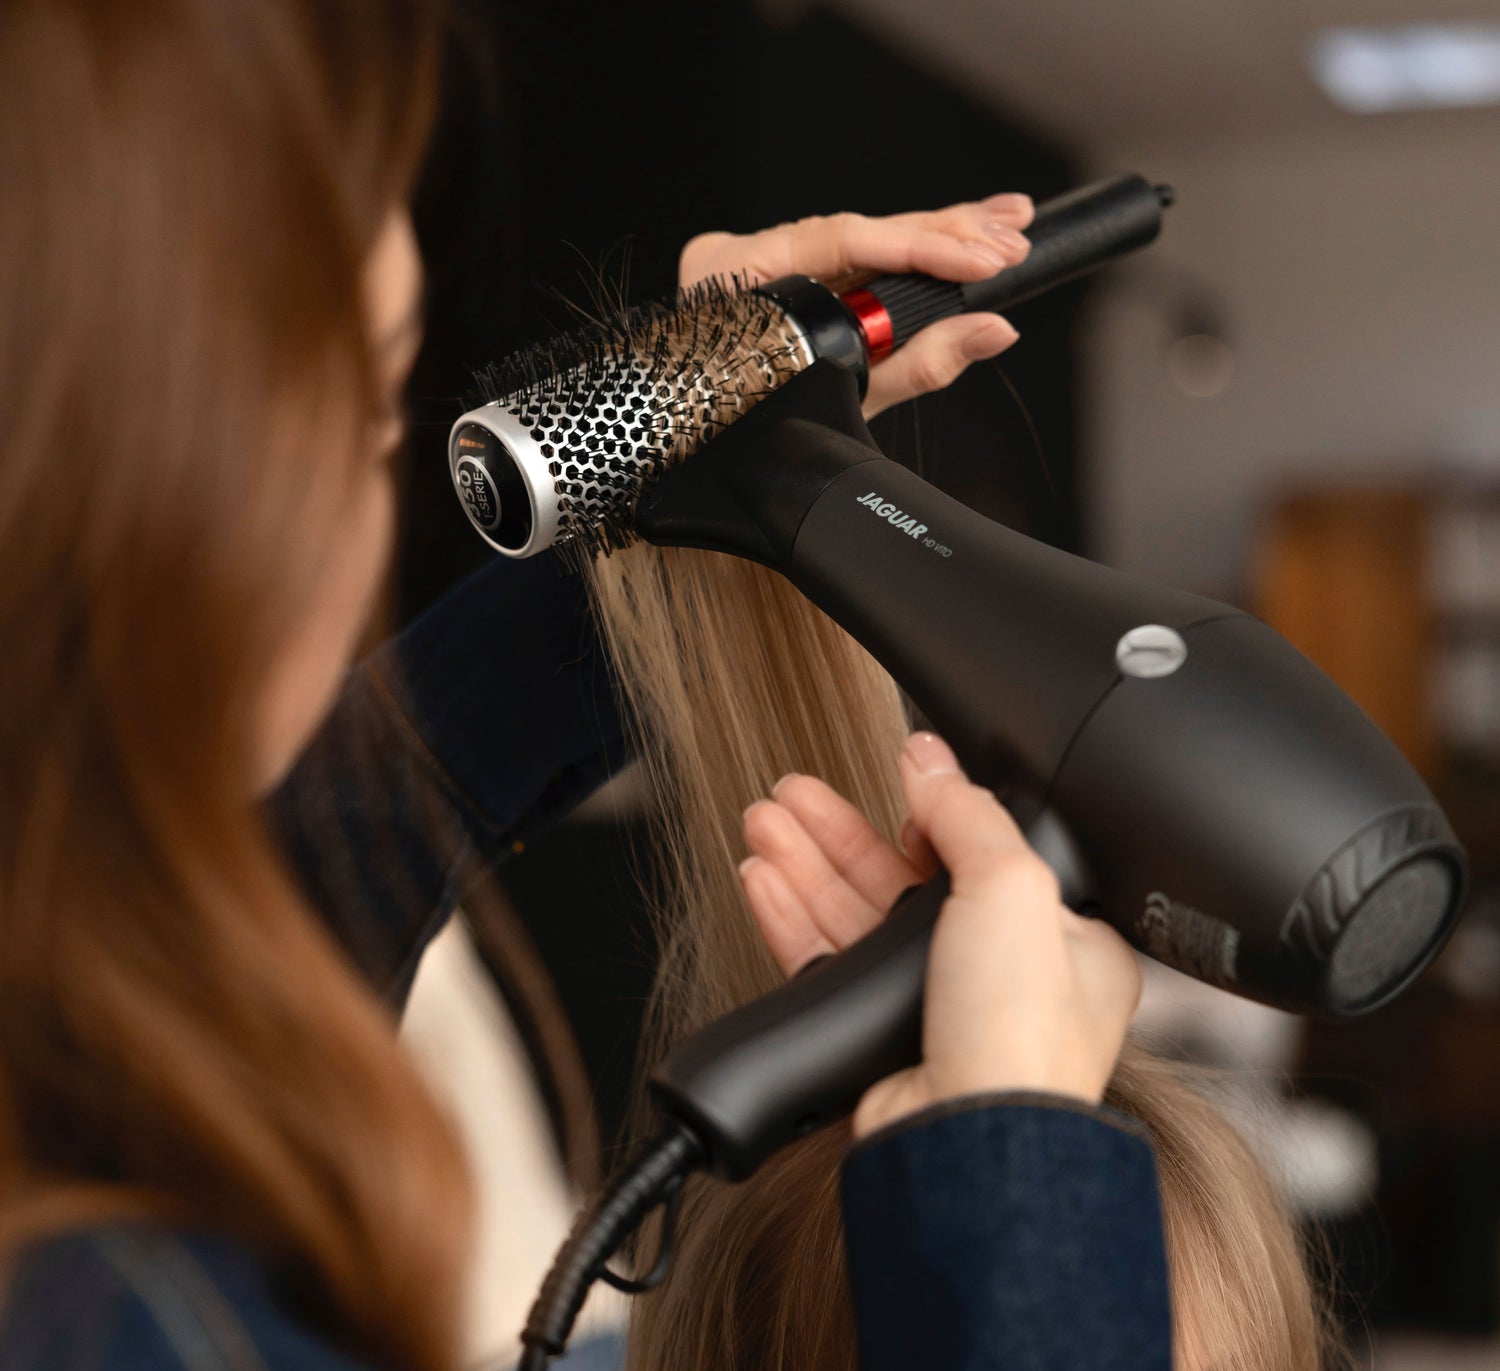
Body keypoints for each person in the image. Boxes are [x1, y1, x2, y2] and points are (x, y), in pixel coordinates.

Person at [0, 1, 1167, 1368]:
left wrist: (695, 448)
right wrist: (1022, 1220)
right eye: (373, 409)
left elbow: (336, 836)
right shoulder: (124, 1316)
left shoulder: (64, 1084)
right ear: (120, 482)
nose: (366, 512)